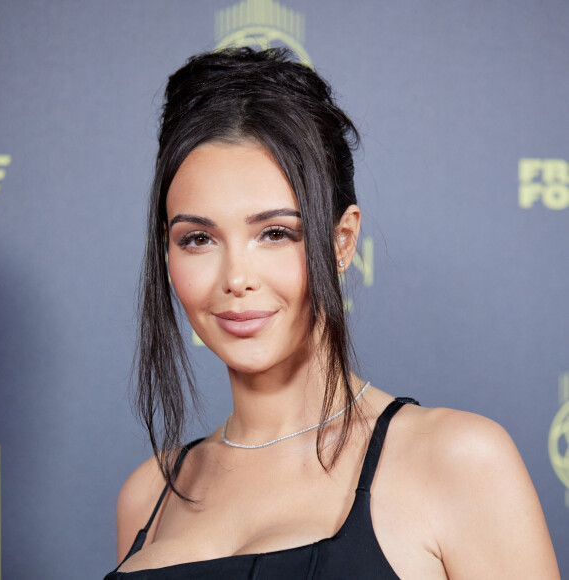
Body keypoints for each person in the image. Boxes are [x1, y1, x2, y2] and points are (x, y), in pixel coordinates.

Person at [104, 47, 560, 579]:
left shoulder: (458, 461)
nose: (235, 278)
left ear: (342, 240)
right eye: (199, 238)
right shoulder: (148, 494)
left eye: (275, 233)